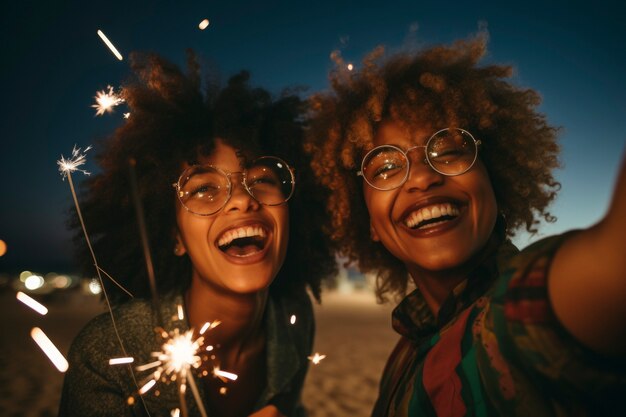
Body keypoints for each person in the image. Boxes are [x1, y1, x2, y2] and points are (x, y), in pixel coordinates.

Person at [306, 34, 626, 416]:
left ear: (494, 181)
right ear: (368, 221)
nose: (422, 178)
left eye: (449, 150)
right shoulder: (404, 354)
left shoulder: (518, 314)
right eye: (386, 167)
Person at [58, 51, 336, 417]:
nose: (241, 200)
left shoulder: (294, 318)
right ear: (174, 235)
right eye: (204, 188)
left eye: (262, 179)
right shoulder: (108, 354)